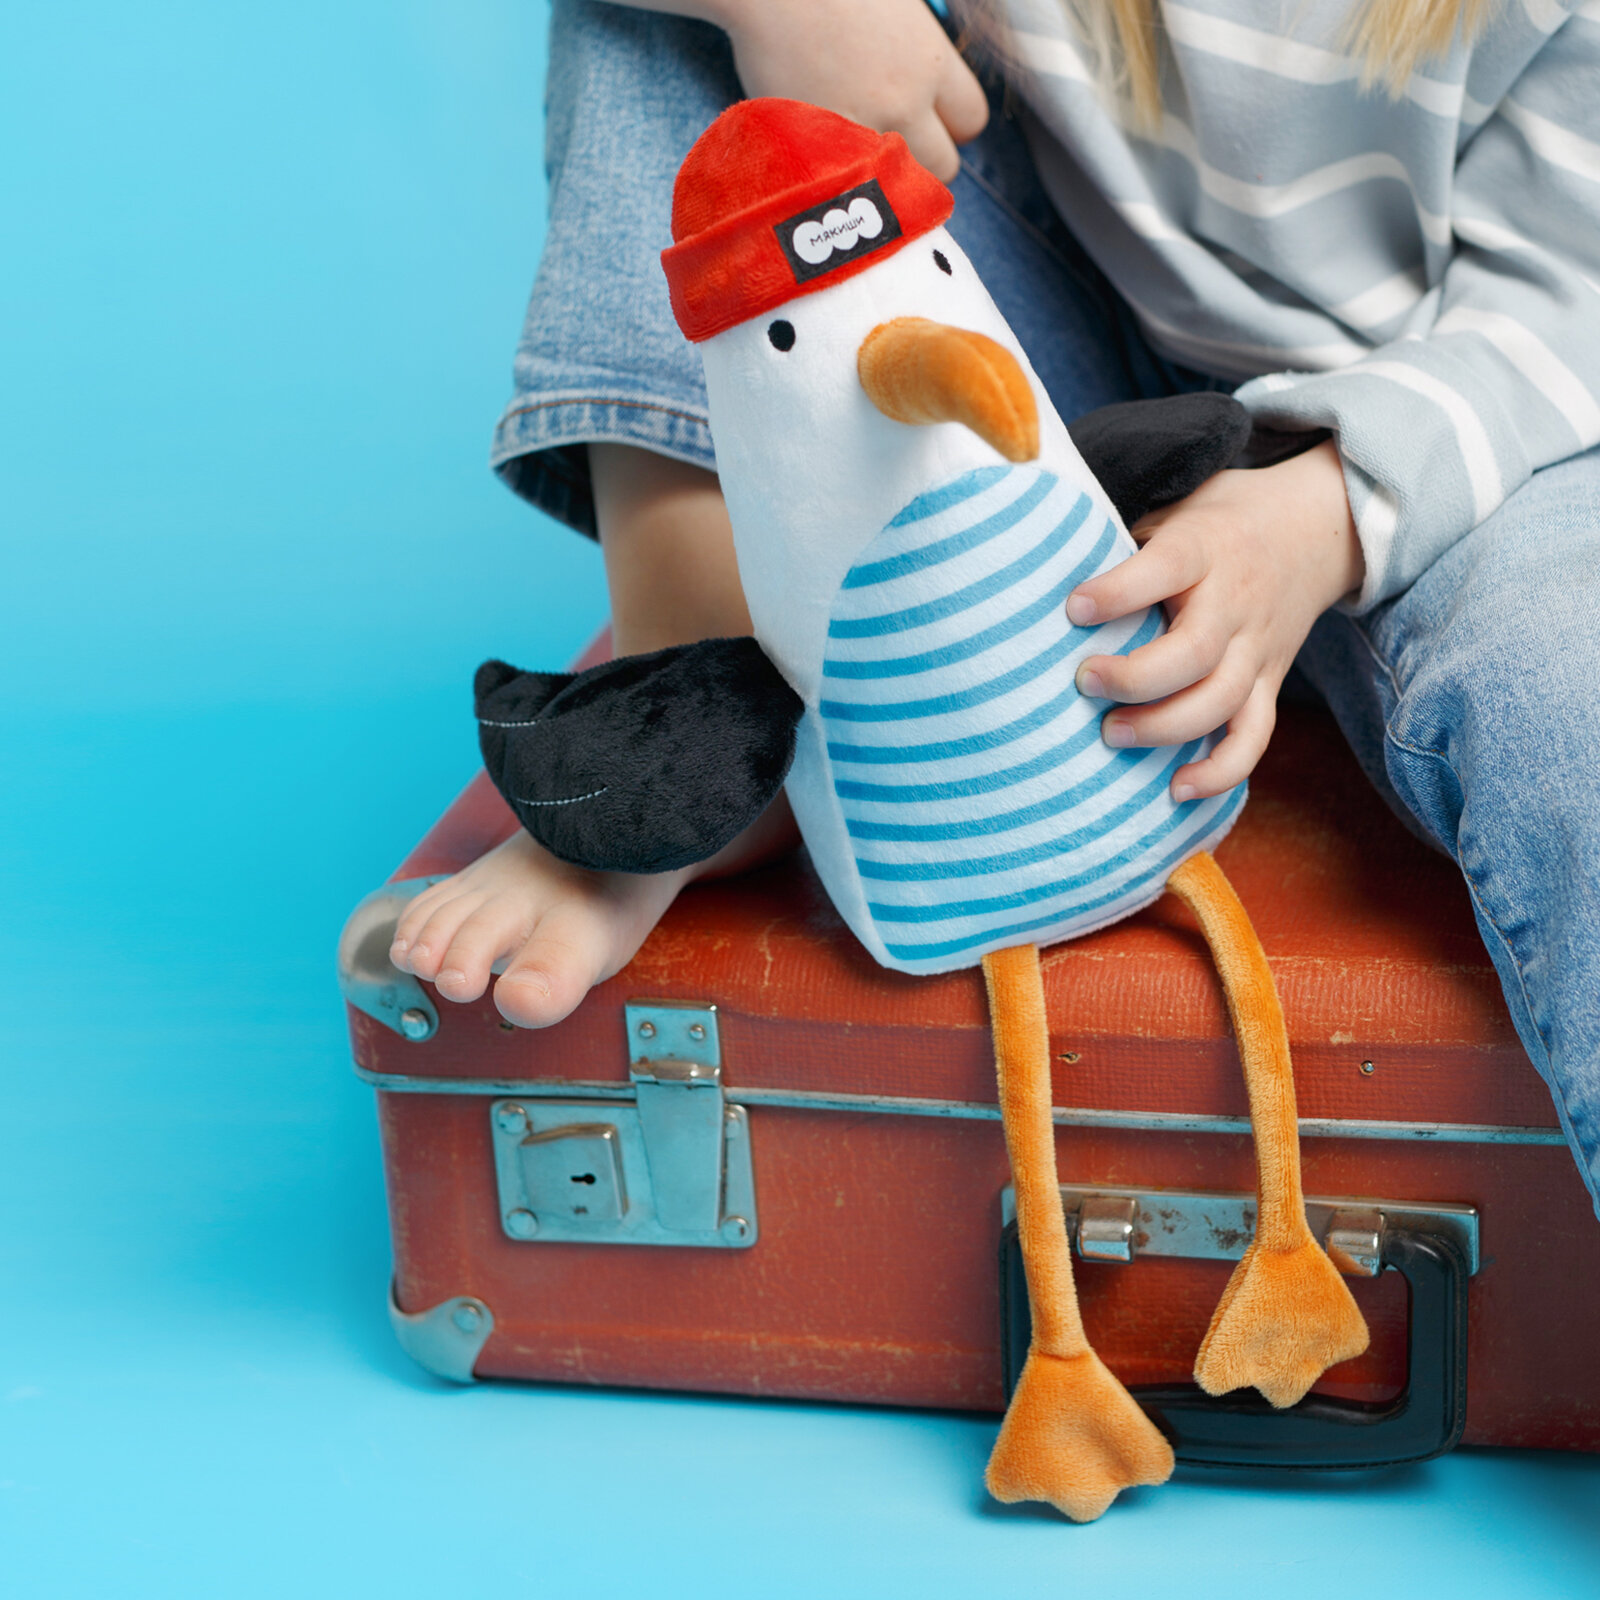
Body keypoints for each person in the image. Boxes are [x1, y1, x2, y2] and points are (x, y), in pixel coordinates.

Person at [388, 0, 1600, 1217]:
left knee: (1569, 695)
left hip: (1482, 402)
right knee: (668, 40)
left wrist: (1324, 508)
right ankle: (693, 723)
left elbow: (1571, 296)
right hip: (1049, 331)